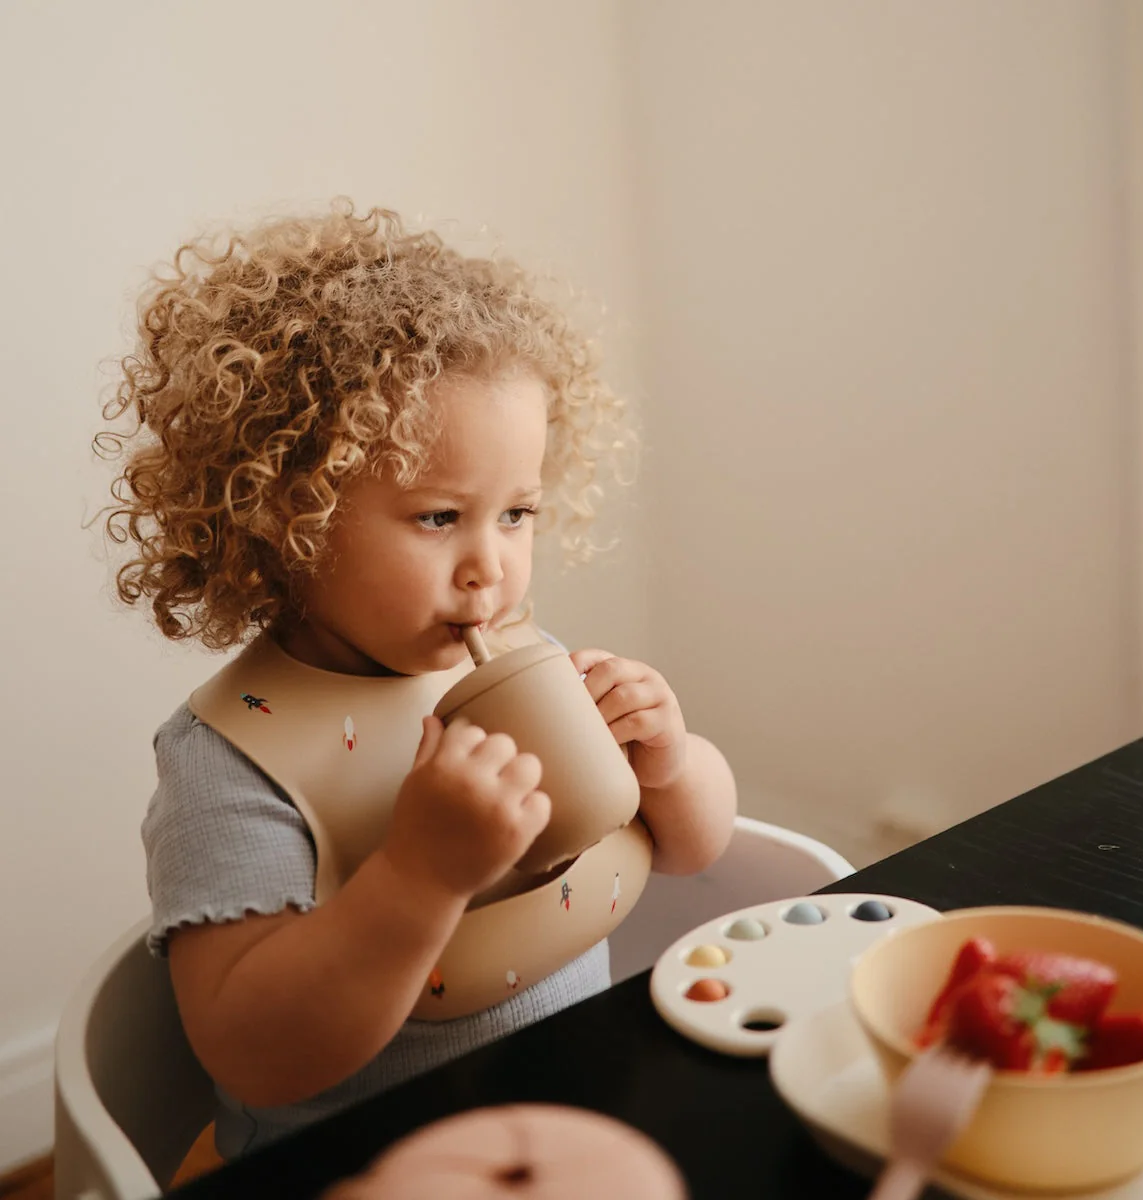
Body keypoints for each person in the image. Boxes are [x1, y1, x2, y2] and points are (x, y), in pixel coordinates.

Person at [96, 201, 737, 1158]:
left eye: (517, 513)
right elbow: (257, 1052)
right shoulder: (233, 763)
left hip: (576, 1133)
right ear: (290, 515)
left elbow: (693, 850)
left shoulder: (524, 661)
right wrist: (420, 875)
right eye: (440, 518)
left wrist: (671, 762)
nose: (492, 567)